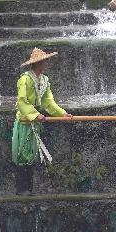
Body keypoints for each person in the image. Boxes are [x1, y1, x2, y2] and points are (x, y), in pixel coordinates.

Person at [12, 47, 73, 194]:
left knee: (32, 152)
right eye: (45, 61)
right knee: (21, 152)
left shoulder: (45, 81)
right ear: (38, 63)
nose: (47, 63)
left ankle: (29, 188)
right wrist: (34, 114)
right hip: (25, 119)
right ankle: (21, 189)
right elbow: (21, 101)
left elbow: (48, 102)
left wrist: (62, 114)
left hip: (34, 119)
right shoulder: (25, 79)